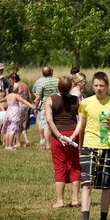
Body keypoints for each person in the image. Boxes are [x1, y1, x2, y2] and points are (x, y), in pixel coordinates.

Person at [73, 71, 110, 220]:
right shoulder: (86, 103)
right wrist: (76, 142)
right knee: (86, 185)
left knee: (105, 187)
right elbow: (81, 126)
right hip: (89, 147)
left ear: (107, 86)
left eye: (101, 86)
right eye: (95, 85)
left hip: (109, 148)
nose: (98, 89)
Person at [45, 76, 81, 208]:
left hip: (57, 135)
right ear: (71, 87)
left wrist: (59, 136)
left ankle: (60, 201)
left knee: (59, 166)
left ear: (58, 86)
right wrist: (74, 136)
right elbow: (81, 120)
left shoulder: (50, 99)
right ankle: (75, 199)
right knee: (75, 165)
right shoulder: (77, 99)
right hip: (73, 133)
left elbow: (49, 120)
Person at [2, 83, 35, 150]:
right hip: (14, 113)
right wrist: (31, 105)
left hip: (8, 113)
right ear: (15, 89)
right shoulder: (16, 96)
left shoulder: (8, 96)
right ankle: (10, 146)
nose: (18, 89)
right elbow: (23, 100)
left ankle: (7, 145)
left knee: (8, 129)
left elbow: (2, 100)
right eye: (18, 88)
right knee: (12, 130)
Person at [34, 66, 59, 150]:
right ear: (51, 72)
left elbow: (37, 98)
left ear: (43, 74)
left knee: (46, 126)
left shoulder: (42, 84)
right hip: (57, 105)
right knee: (56, 125)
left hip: (45, 106)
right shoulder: (58, 81)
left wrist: (35, 108)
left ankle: (48, 145)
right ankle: (56, 143)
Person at [9, 73, 32, 147]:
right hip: (25, 106)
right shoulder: (24, 84)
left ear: (14, 79)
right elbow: (29, 95)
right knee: (20, 124)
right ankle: (26, 140)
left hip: (18, 106)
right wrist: (30, 104)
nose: (10, 82)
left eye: (10, 80)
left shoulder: (16, 85)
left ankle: (17, 142)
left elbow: (13, 96)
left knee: (16, 124)